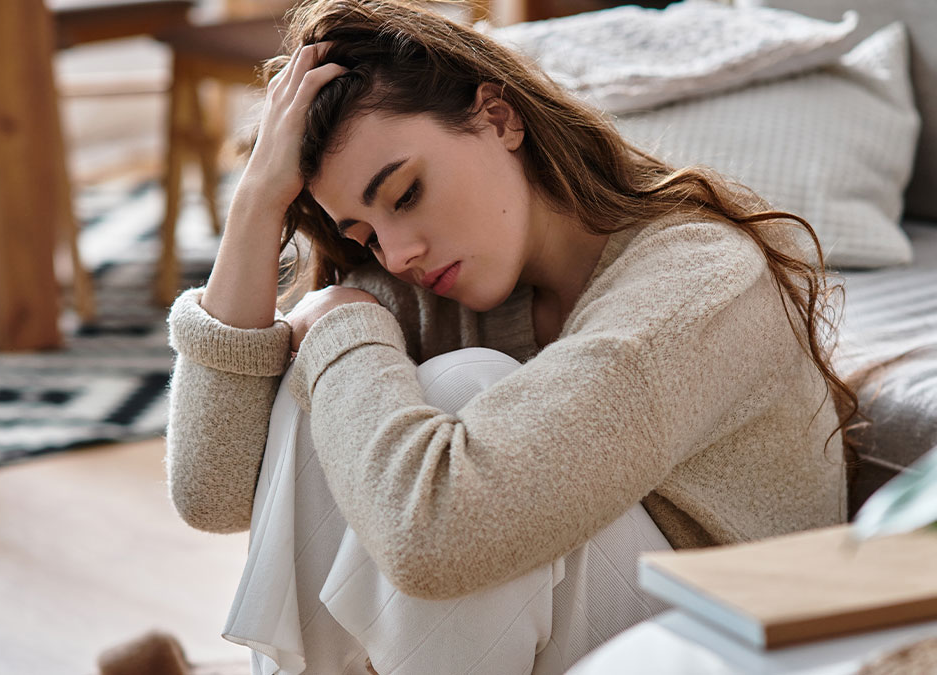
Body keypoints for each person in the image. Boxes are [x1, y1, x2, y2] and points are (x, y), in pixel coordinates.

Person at [165, 0, 858, 672]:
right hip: (602, 630)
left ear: (498, 118)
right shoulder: (434, 279)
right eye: (365, 234)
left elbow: (440, 534)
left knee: (456, 391)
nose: (396, 252)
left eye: (405, 193)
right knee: (345, 386)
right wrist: (256, 204)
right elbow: (215, 489)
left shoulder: (699, 279)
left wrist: (341, 326)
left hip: (734, 641)